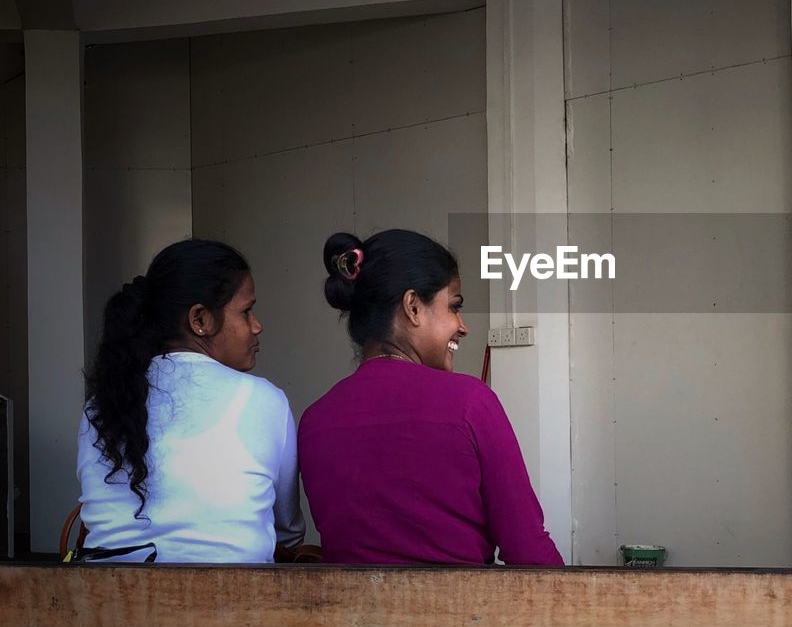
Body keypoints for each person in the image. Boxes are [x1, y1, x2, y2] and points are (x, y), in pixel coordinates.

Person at [298, 229, 563, 566]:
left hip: (350, 617)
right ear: (413, 307)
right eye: (454, 306)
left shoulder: (315, 421)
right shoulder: (471, 403)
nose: (462, 326)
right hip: (464, 616)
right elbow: (529, 552)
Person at [77, 239, 305, 563]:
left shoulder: (100, 404)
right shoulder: (264, 400)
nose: (257, 326)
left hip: (106, 605)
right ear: (200, 319)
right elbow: (288, 532)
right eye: (246, 311)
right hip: (235, 606)